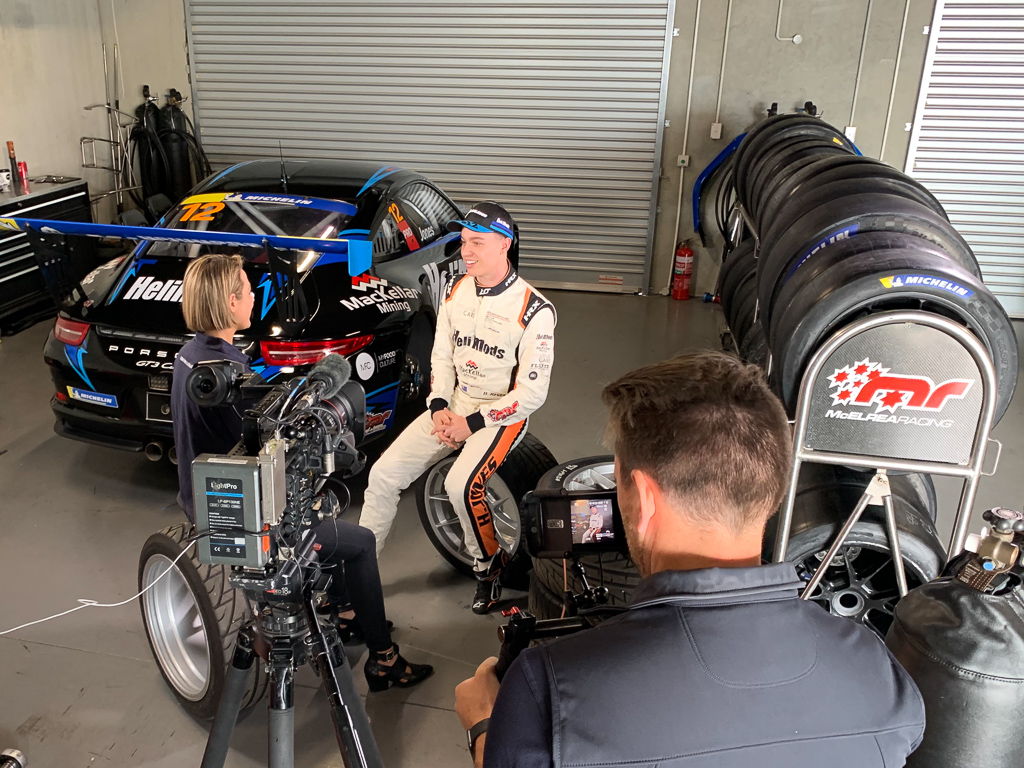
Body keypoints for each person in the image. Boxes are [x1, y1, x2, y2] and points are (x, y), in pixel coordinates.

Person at [455, 352, 925, 767]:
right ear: (774, 489)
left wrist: (484, 727)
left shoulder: (548, 690)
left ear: (644, 497)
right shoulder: (874, 665)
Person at [171, 252, 432, 691]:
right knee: (360, 543)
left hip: (202, 500)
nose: (253, 297)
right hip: (242, 518)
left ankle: (346, 612)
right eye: (247, 291)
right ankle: (383, 659)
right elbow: (260, 450)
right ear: (230, 303)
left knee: (325, 520)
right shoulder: (228, 372)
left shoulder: (193, 358)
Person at [359, 202, 556, 614]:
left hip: (501, 415)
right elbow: (442, 356)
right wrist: (437, 406)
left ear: (504, 244)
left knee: (460, 486)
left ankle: (488, 567)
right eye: (464, 241)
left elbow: (532, 394)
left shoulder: (534, 309)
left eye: (477, 243)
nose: (466, 251)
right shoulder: (454, 289)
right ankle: (359, 572)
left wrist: (472, 423)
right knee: (382, 475)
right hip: (454, 404)